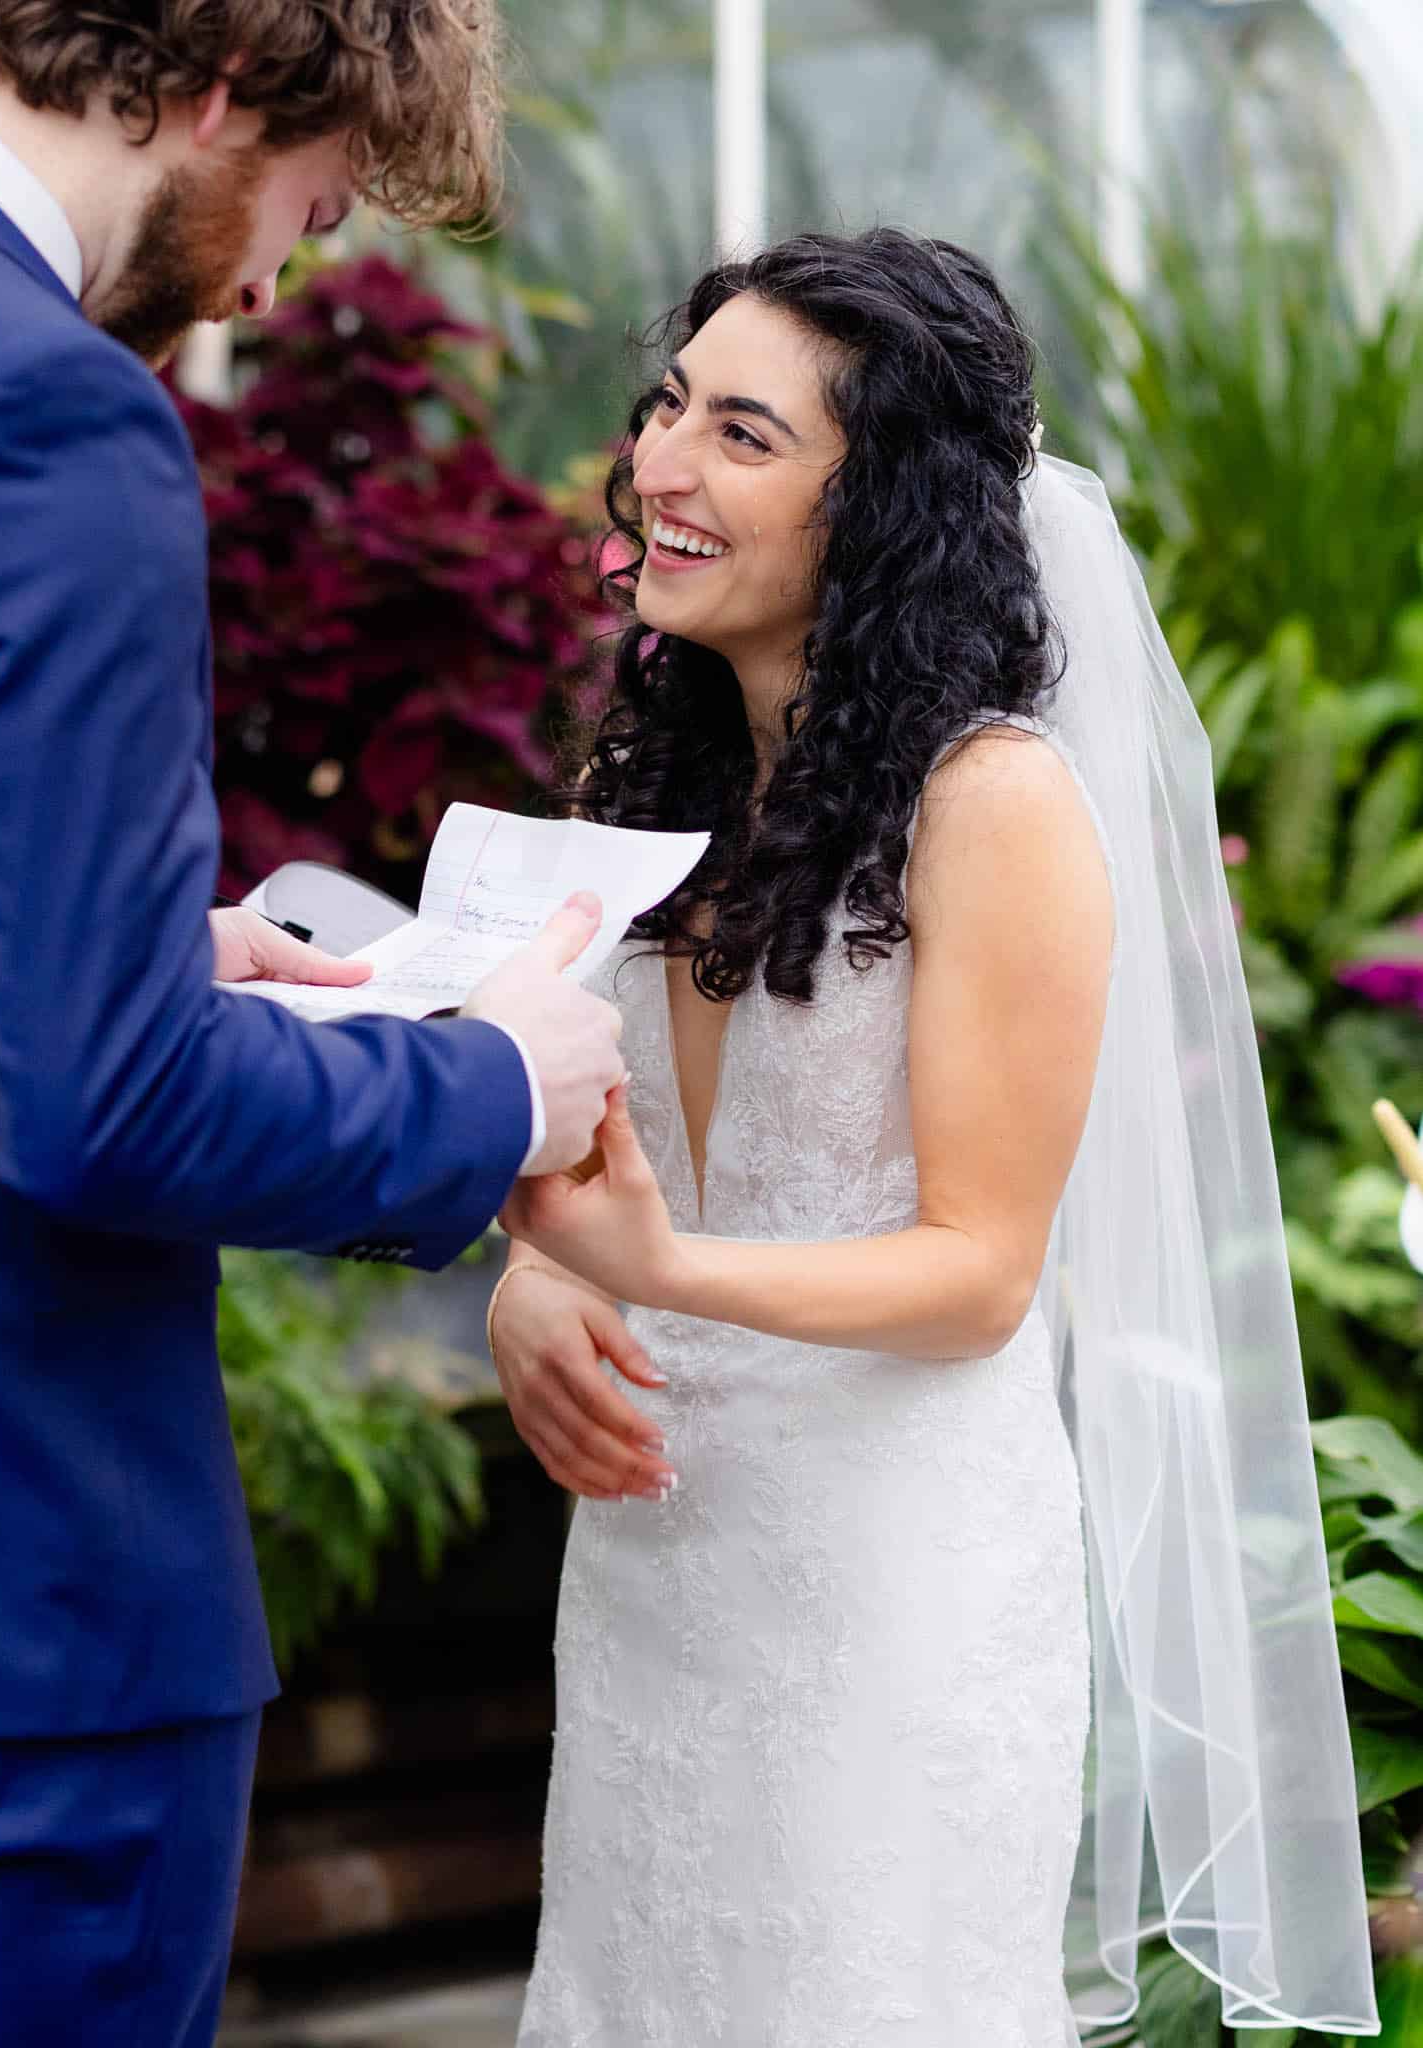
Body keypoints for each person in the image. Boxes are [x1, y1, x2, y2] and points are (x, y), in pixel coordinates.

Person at [0, 4, 673, 2043]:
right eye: (306, 212)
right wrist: (491, 1077)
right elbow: (110, 1105)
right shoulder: (39, 407)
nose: (260, 286)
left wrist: (109, 936)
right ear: (220, 85)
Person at [491, 230, 1379, 2042]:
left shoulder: (994, 807)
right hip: (657, 1556)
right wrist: (527, 1280)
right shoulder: (639, 783)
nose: (658, 461)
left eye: (741, 435)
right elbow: (564, 1146)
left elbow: (977, 1277)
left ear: (878, 504)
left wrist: (653, 1269)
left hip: (889, 1581)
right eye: (669, 406)